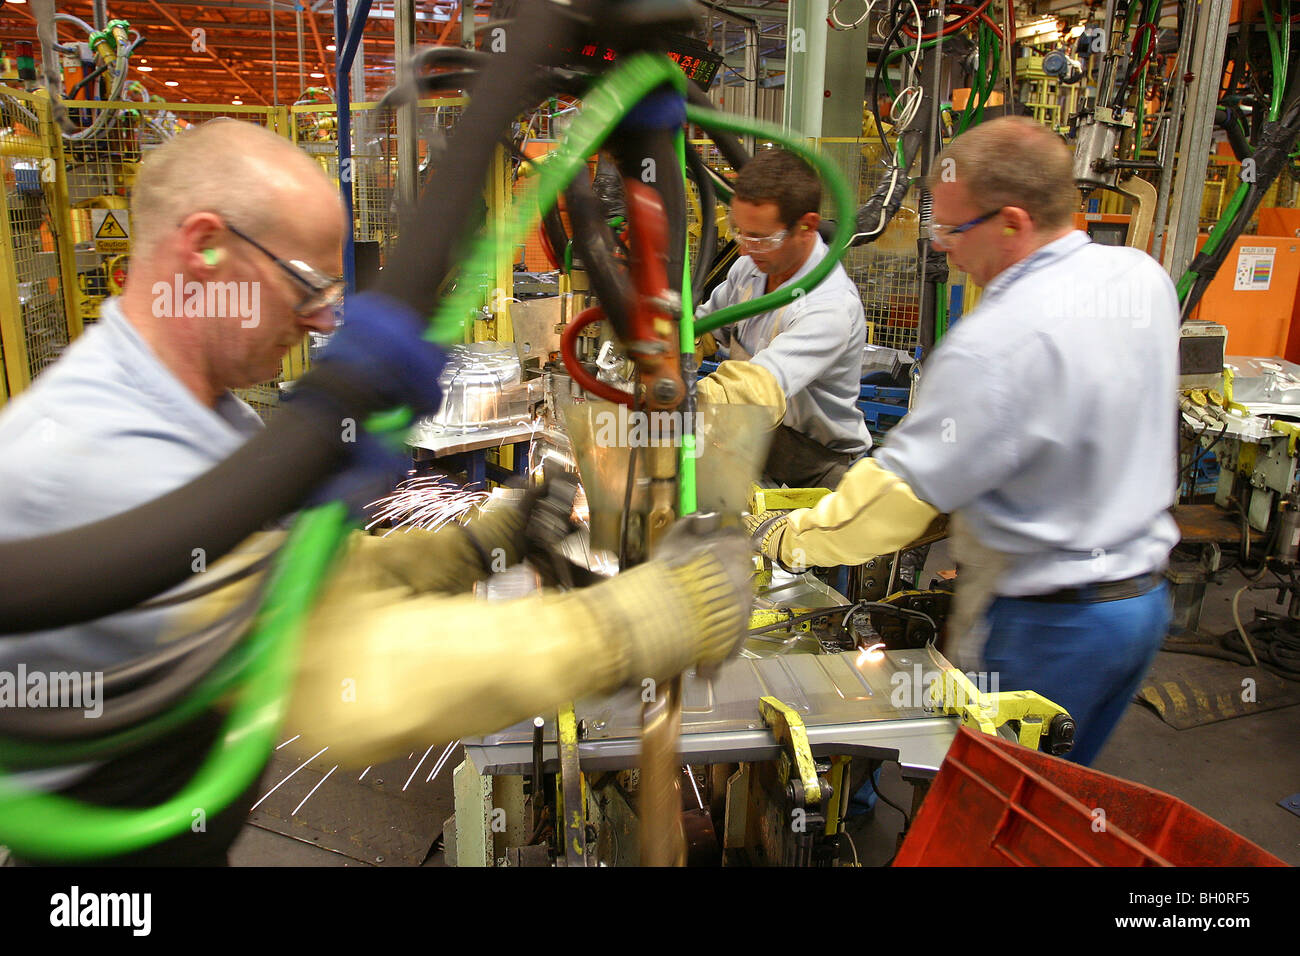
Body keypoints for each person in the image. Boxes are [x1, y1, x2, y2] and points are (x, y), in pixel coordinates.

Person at [0, 120, 761, 865]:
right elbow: (348, 678)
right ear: (204, 246)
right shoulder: (104, 456)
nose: (323, 320)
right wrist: (652, 617)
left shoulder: (196, 409)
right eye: (306, 285)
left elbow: (293, 585)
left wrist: (473, 546)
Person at [749, 117, 1178, 766]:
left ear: (1012, 222)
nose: (940, 246)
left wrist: (787, 536)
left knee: (989, 811)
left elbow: (893, 501)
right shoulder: (1140, 277)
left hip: (1049, 624)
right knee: (1058, 800)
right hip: (1141, 609)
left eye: (951, 228)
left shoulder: (997, 340)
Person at [696, 147, 872, 488]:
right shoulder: (749, 267)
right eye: (739, 232)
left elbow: (762, 386)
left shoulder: (829, 305)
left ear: (807, 227)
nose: (744, 249)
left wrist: (685, 402)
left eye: (760, 238)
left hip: (815, 466)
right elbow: (707, 326)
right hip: (754, 442)